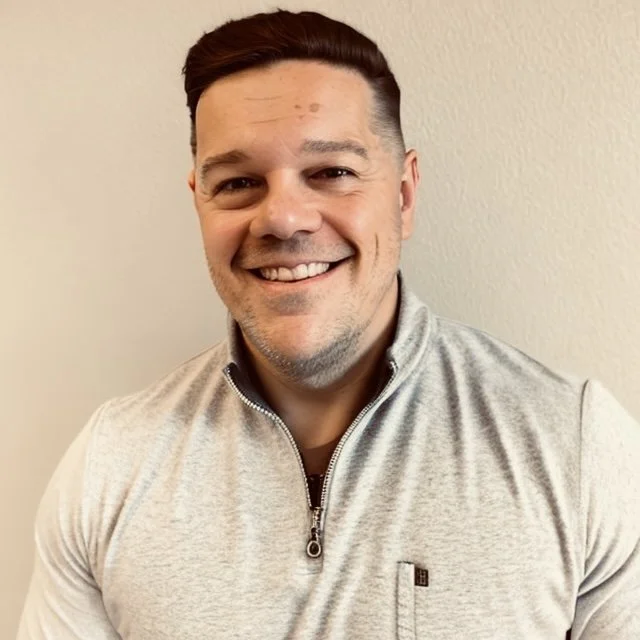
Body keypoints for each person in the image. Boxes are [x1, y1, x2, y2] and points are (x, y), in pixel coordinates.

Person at [17, 9, 640, 639]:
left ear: (404, 195)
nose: (282, 218)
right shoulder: (110, 466)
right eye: (238, 182)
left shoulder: (574, 446)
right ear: (199, 202)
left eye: (332, 172)